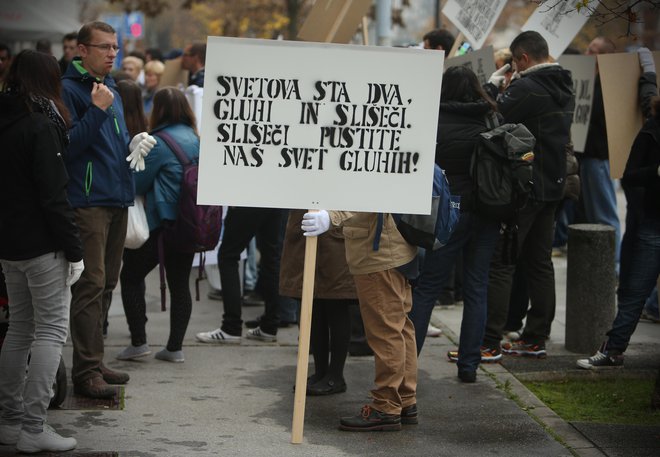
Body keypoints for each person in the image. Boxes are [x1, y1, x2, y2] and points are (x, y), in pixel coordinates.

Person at [61, 21, 156, 399]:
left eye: (114, 47)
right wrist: (98, 112)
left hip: (116, 197)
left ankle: (94, 360)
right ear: (81, 50)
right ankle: (85, 372)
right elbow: (67, 147)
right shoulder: (69, 90)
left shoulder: (111, 88)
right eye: (104, 47)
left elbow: (103, 144)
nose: (112, 53)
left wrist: (131, 145)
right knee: (90, 285)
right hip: (89, 203)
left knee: (107, 285)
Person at [0, 49, 82, 453]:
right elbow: (54, 197)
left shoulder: (8, 119)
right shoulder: (39, 125)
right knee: (49, 331)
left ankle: (11, 421)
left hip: (10, 244)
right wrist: (75, 250)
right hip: (42, 245)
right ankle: (33, 426)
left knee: (19, 329)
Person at [482, 30, 575, 358]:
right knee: (539, 263)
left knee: (503, 262)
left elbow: (490, 118)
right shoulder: (564, 84)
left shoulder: (527, 87)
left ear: (522, 59)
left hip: (524, 187)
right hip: (552, 184)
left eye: (515, 64)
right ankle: (536, 337)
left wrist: (494, 86)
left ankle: (489, 340)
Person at [409, 66, 501, 383]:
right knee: (477, 288)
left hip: (450, 209)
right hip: (488, 210)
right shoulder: (490, 116)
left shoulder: (433, 120)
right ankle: (469, 365)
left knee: (427, 289)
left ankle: (408, 366)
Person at [301, 210, 418, 431]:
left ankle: (386, 407)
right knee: (399, 327)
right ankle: (404, 400)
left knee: (386, 331)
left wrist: (331, 216)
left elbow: (366, 190)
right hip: (391, 248)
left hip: (378, 253)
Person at [577, 96, 660, 370]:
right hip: (652, 224)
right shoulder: (651, 133)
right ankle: (613, 349)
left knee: (636, 290)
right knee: (636, 291)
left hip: (650, 223)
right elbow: (630, 175)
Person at [117, 87, 196, 364]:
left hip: (160, 225)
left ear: (159, 110)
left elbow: (136, 183)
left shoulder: (159, 142)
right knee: (180, 284)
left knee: (130, 277)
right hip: (189, 225)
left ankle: (139, 343)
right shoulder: (197, 140)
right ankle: (175, 348)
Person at [279, 210, 357, 395]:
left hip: (334, 228)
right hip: (303, 227)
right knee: (310, 305)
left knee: (336, 303)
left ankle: (335, 375)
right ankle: (320, 371)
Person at [195, 207, 285, 344]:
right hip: (275, 200)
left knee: (228, 256)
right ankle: (270, 325)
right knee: (271, 257)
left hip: (248, 198)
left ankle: (231, 326)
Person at [579, 37, 622, 271]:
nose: (586, 53)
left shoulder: (607, 85)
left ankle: (613, 265)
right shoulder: (591, 81)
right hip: (588, 156)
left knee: (605, 214)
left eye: (592, 51)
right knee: (596, 214)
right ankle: (605, 263)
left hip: (599, 156)